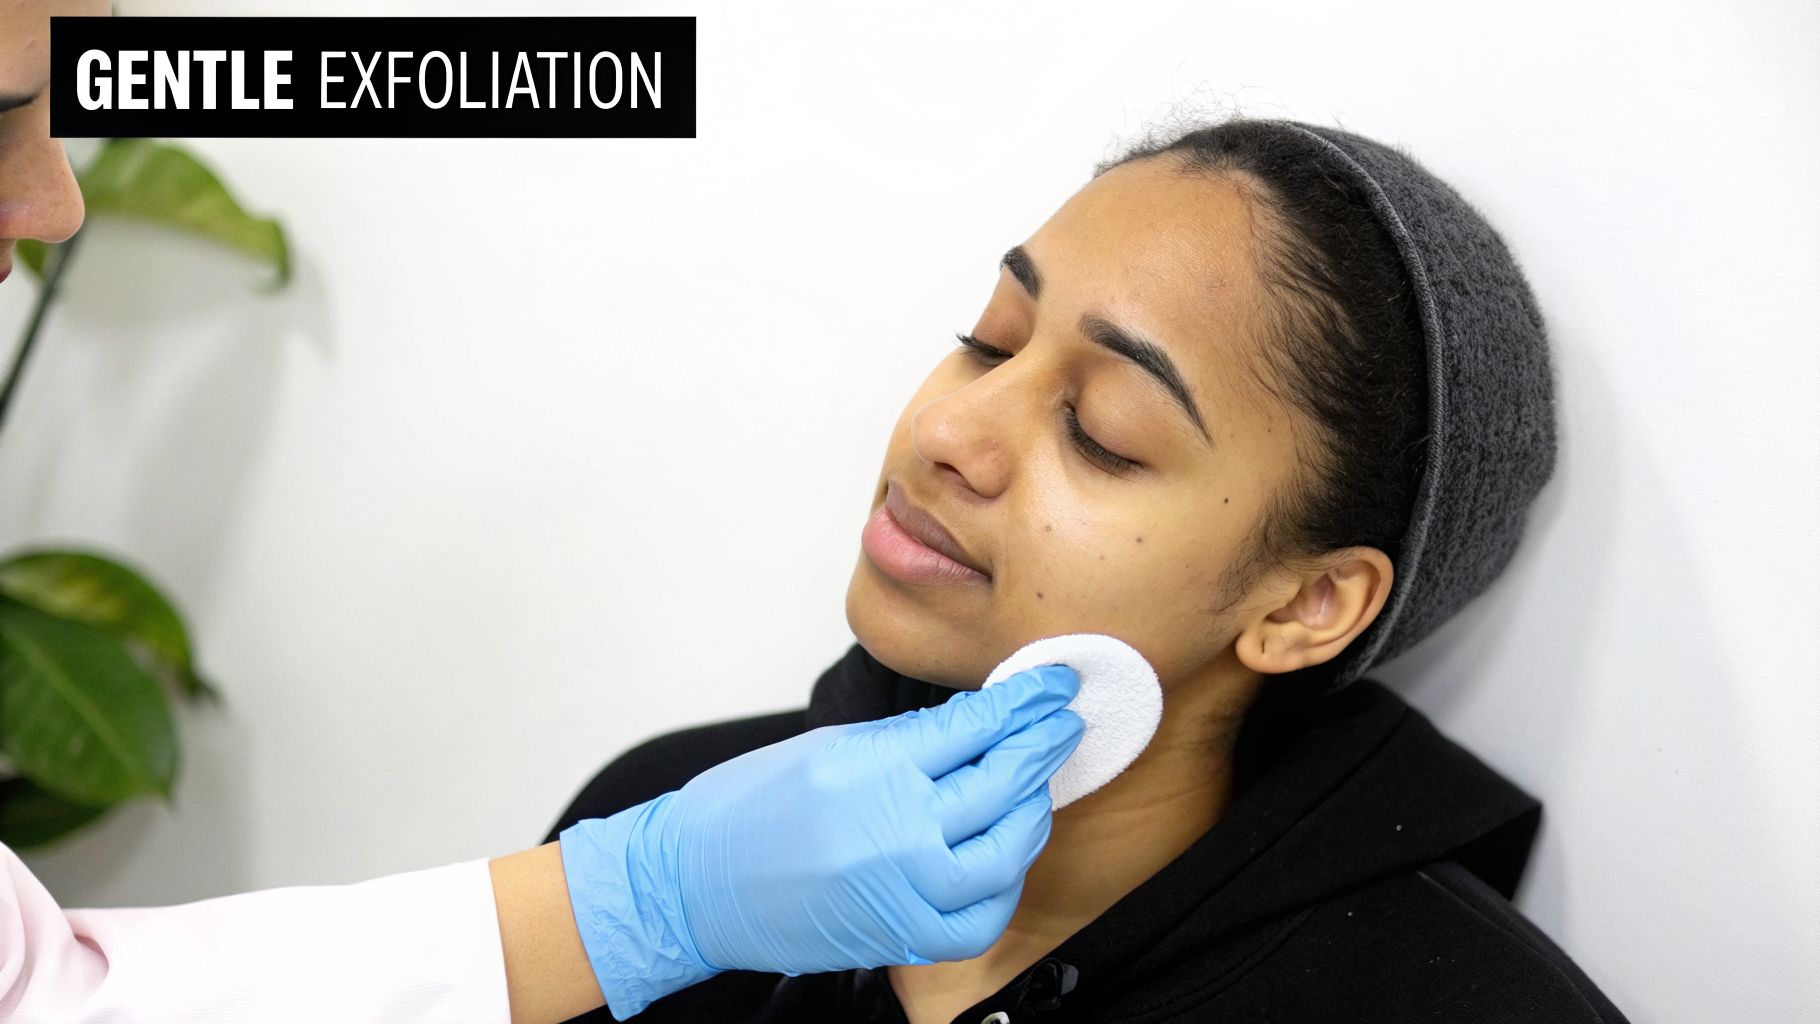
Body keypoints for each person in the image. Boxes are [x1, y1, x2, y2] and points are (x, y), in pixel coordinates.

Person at [0, 3, 1089, 1022]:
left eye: (1104, 432)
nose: (60, 205)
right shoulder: (660, 799)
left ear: (1273, 607)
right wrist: (645, 901)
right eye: (984, 342)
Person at [544, 118, 1635, 1023]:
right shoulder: (670, 830)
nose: (944, 427)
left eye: (1103, 432)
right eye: (989, 339)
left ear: (1305, 603)